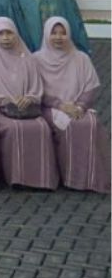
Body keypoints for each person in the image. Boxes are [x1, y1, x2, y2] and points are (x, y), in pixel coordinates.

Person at [0, 17, 59, 190]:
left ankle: (41, 178)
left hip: (26, 107)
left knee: (41, 127)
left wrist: (29, 97)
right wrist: (5, 99)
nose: (6, 38)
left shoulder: (26, 56)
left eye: (9, 33)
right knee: (13, 129)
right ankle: (16, 178)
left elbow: (36, 86)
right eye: (1, 34)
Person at [33, 17, 111, 194]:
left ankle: (89, 177)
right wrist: (60, 105)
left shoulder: (81, 58)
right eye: (54, 33)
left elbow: (90, 87)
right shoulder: (36, 59)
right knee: (69, 126)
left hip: (78, 107)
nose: (59, 37)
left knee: (89, 123)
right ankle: (69, 177)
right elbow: (36, 90)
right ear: (46, 34)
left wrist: (81, 107)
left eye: (63, 33)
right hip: (49, 108)